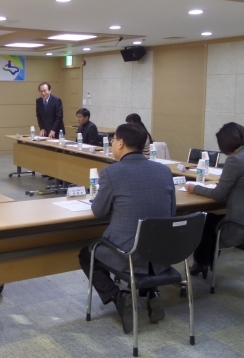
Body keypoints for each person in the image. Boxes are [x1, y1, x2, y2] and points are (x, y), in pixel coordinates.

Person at [78, 123, 176, 334]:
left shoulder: (111, 173)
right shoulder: (164, 171)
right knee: (147, 244)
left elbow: (98, 211)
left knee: (87, 254)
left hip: (127, 254)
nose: (112, 144)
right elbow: (172, 211)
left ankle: (118, 297)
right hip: (161, 252)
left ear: (121, 143)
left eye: (113, 140)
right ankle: (152, 293)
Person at [185, 122, 244, 277]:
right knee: (212, 219)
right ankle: (206, 262)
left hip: (242, 226)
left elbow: (218, 194)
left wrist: (195, 188)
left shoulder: (236, 160)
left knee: (205, 220)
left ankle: (202, 262)